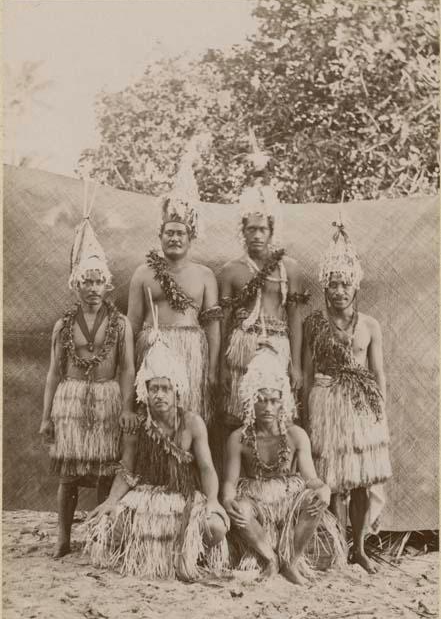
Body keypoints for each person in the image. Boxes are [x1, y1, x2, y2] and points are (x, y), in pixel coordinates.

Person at [84, 316, 229, 581]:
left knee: (215, 528)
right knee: (106, 526)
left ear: (177, 392)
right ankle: (146, 553)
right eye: (154, 389)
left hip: (182, 496)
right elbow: (127, 470)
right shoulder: (138, 424)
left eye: (165, 389)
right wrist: (112, 500)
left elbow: (207, 467)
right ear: (145, 392)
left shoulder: (193, 423)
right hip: (145, 495)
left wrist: (212, 500)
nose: (159, 395)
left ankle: (189, 554)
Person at [39, 184, 136, 558]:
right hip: (72, 399)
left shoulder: (121, 324)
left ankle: (99, 535)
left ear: (107, 284)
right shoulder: (63, 326)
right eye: (87, 281)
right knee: (69, 471)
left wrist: (127, 408)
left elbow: (127, 369)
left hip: (109, 398)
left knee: (104, 469)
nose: (93, 288)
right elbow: (52, 373)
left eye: (99, 281)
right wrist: (47, 416)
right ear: (76, 284)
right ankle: (63, 537)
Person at [303, 220, 392, 574]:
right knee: (331, 478)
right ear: (325, 286)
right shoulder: (315, 323)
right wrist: (308, 414)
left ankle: (358, 547)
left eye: (345, 284)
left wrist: (379, 411)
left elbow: (378, 371)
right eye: (333, 284)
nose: (339, 290)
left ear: (355, 286)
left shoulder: (370, 325)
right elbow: (308, 371)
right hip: (326, 402)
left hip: (360, 406)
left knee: (359, 479)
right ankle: (334, 543)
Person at [222, 341, 346, 585]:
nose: (268, 407)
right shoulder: (238, 438)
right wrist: (228, 500)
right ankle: (270, 559)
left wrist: (323, 488)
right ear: (250, 402)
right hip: (256, 497)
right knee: (241, 511)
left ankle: (291, 560)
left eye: (274, 400)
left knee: (315, 500)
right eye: (261, 400)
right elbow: (229, 481)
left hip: (289, 496)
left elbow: (310, 478)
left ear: (283, 402)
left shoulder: (296, 434)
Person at [218, 133, 309, 439]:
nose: (257, 235)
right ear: (242, 231)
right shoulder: (231, 271)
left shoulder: (290, 269)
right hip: (243, 345)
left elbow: (295, 318)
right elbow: (225, 322)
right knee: (239, 414)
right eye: (251, 229)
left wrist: (296, 366)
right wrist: (220, 365)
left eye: (263, 229)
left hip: (278, 345)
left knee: (276, 413)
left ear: (272, 232)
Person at [127, 137, 221, 427]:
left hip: (192, 351)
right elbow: (130, 324)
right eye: (169, 232)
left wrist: (213, 367)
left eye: (181, 232)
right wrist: (129, 365)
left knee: (188, 419)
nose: (175, 238)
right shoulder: (143, 273)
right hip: (152, 348)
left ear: (190, 237)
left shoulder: (205, 276)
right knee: (152, 419)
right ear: (160, 236)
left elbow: (213, 325)